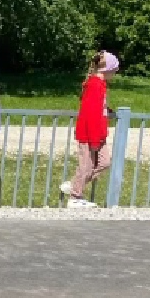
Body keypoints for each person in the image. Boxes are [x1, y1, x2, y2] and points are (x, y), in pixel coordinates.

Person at [60, 50, 119, 208]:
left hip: (98, 134)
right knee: (86, 165)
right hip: (89, 135)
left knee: (104, 162)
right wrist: (94, 140)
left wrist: (107, 110)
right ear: (107, 69)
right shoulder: (94, 85)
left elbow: (97, 108)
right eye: (114, 70)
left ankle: (75, 184)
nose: (115, 74)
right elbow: (91, 114)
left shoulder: (100, 85)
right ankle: (75, 197)